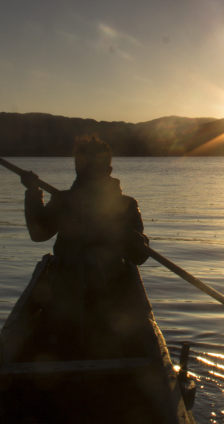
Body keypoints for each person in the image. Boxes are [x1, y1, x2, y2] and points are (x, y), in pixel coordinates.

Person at [20, 134, 150, 358]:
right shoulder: (64, 201)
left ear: (107, 170)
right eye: (81, 169)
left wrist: (127, 235)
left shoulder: (125, 205)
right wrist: (33, 193)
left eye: (89, 168)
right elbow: (38, 234)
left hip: (109, 293)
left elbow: (139, 256)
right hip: (66, 289)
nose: (84, 174)